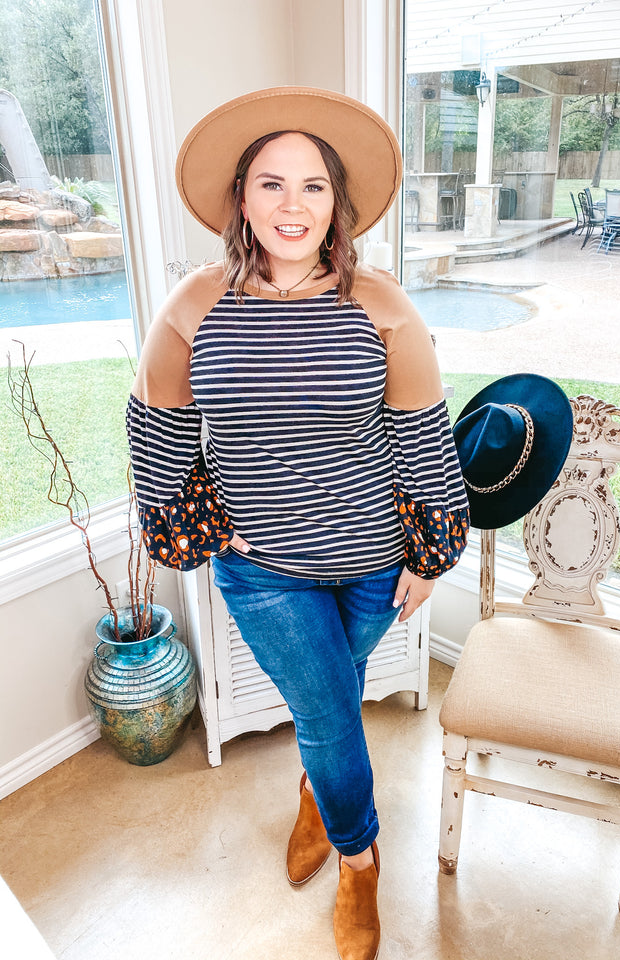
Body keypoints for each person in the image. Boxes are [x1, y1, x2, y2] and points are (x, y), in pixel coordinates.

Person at [127, 86, 469, 960]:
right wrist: (207, 530)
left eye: (313, 185)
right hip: (264, 571)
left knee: (331, 705)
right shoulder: (194, 306)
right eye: (271, 184)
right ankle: (361, 862)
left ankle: (319, 795)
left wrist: (426, 557)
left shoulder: (382, 304)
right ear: (241, 199)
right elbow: (156, 435)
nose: (292, 205)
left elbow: (423, 437)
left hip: (374, 562)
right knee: (326, 714)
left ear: (336, 204)